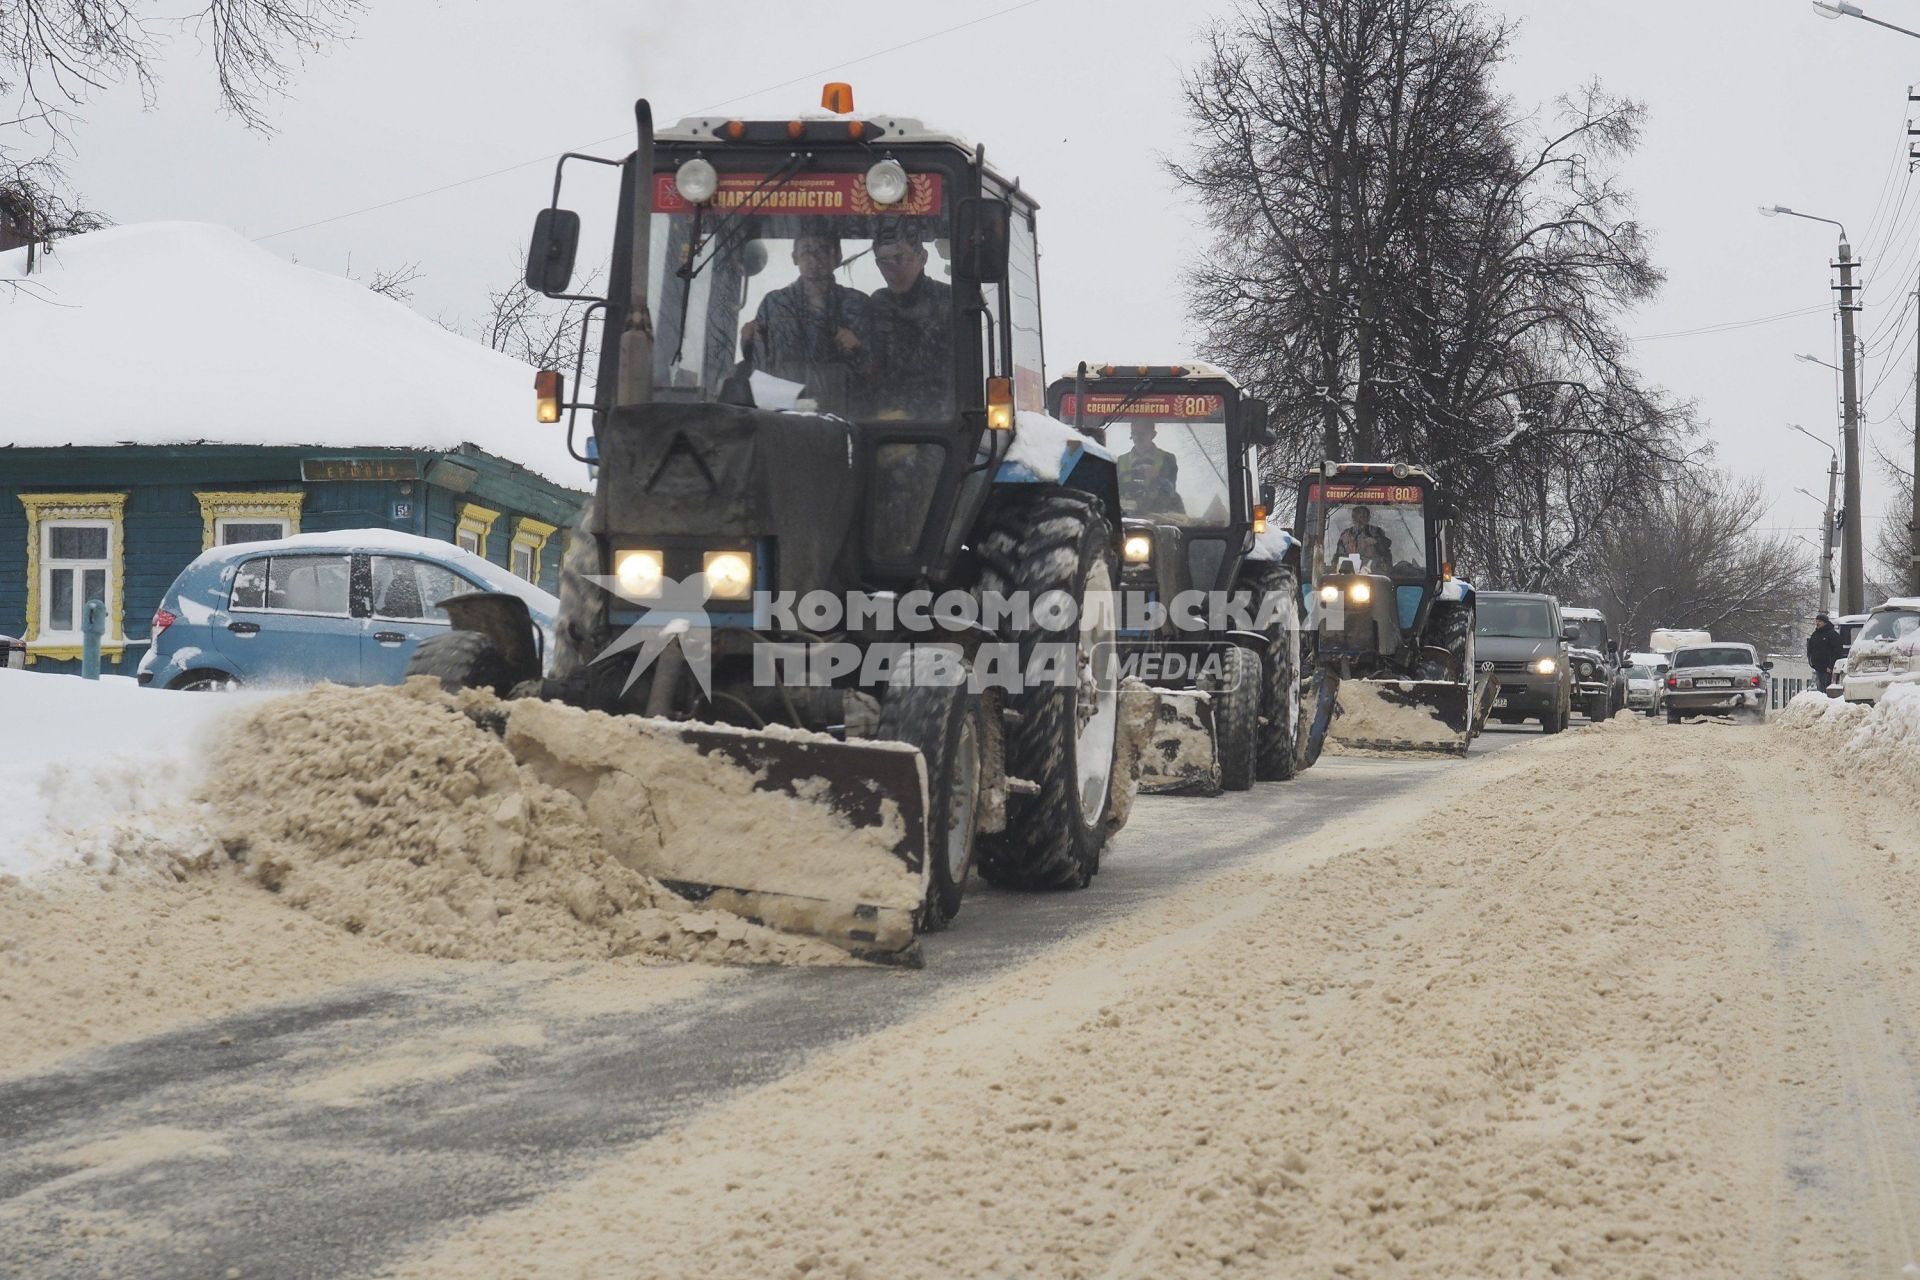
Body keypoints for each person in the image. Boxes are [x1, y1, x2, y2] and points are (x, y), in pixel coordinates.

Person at [739, 229, 872, 413]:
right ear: (794, 257)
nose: (814, 258)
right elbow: (759, 366)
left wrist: (857, 347)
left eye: (823, 250)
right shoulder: (774, 304)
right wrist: (747, 343)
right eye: (806, 250)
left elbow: (875, 372)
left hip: (843, 416)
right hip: (783, 415)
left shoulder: (858, 304)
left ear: (838, 256)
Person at [865, 219, 953, 418]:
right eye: (883, 261)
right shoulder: (877, 304)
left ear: (923, 258)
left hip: (939, 424)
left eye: (900, 258)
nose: (892, 269)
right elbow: (871, 368)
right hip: (882, 419)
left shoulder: (950, 303)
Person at [1117, 423, 1183, 514]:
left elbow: (1170, 491)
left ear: (1153, 434)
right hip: (1126, 518)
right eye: (1134, 433)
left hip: (1159, 518)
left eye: (1142, 433)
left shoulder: (1167, 459)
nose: (1137, 437)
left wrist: (1157, 477)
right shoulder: (1120, 460)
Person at [1333, 505, 1393, 571]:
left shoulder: (1376, 532)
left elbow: (1385, 551)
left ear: (1368, 518)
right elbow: (1339, 556)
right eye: (1356, 517)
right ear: (1353, 518)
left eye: (1363, 517)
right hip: (1349, 573)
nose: (1359, 520)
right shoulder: (1345, 535)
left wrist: (1376, 543)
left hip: (1373, 573)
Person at [1806, 611, 1845, 692]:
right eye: (1816, 621)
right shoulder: (1815, 634)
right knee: (1820, 689)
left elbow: (1837, 651)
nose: (1817, 623)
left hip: (1828, 669)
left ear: (1825, 622)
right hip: (1818, 668)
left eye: (1819, 621)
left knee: (1827, 690)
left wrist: (1831, 666)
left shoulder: (1832, 635)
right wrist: (1811, 662)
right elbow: (1810, 648)